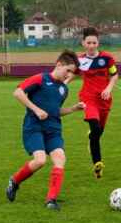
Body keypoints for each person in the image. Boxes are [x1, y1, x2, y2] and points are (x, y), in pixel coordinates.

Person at [5, 50, 85, 211]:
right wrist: (36, 109)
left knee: (60, 159)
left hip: (53, 131)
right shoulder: (41, 79)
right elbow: (18, 92)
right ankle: (14, 181)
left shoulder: (64, 89)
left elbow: (56, 111)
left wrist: (73, 108)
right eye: (68, 70)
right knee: (40, 160)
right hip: (34, 128)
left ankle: (51, 200)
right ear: (58, 64)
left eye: (73, 72)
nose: (69, 75)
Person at [70, 27, 119, 179]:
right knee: (95, 126)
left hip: (104, 100)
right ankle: (97, 163)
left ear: (98, 43)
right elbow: (72, 74)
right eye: (88, 42)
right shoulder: (81, 60)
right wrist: (63, 83)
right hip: (88, 98)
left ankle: (92, 138)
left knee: (97, 133)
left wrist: (109, 88)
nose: (91, 45)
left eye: (94, 42)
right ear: (83, 43)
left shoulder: (107, 58)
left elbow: (114, 75)